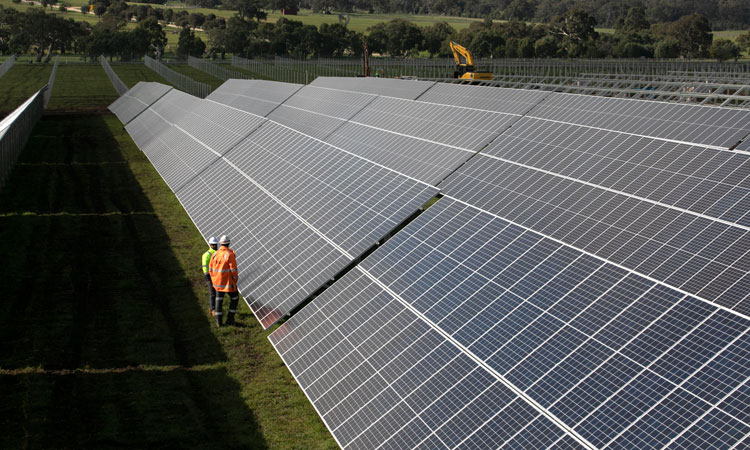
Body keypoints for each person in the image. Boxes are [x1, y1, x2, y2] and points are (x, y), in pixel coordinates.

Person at [208, 235, 239, 327]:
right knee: (235, 298)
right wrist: (234, 281)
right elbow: (233, 270)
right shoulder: (229, 254)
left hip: (217, 283)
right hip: (227, 283)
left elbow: (210, 269)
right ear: (228, 243)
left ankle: (219, 322)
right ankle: (230, 319)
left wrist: (214, 279)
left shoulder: (215, 254)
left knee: (219, 301)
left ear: (220, 244)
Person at [202, 236, 219, 317]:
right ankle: (212, 309)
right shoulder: (206, 255)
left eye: (215, 244)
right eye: (213, 245)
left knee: (217, 293)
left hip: (217, 276)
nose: (215, 246)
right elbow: (205, 268)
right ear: (210, 245)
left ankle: (214, 308)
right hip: (210, 276)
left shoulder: (218, 253)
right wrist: (208, 277)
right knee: (212, 293)